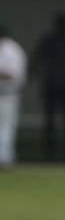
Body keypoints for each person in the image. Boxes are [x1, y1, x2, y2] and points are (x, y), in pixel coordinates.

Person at [31, 13, 65, 159]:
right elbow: (37, 58)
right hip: (54, 83)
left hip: (63, 83)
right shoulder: (49, 39)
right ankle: (51, 150)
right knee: (53, 119)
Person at [0, 24, 27, 168]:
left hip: (8, 94)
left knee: (6, 126)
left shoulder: (12, 50)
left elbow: (12, 74)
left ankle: (5, 159)